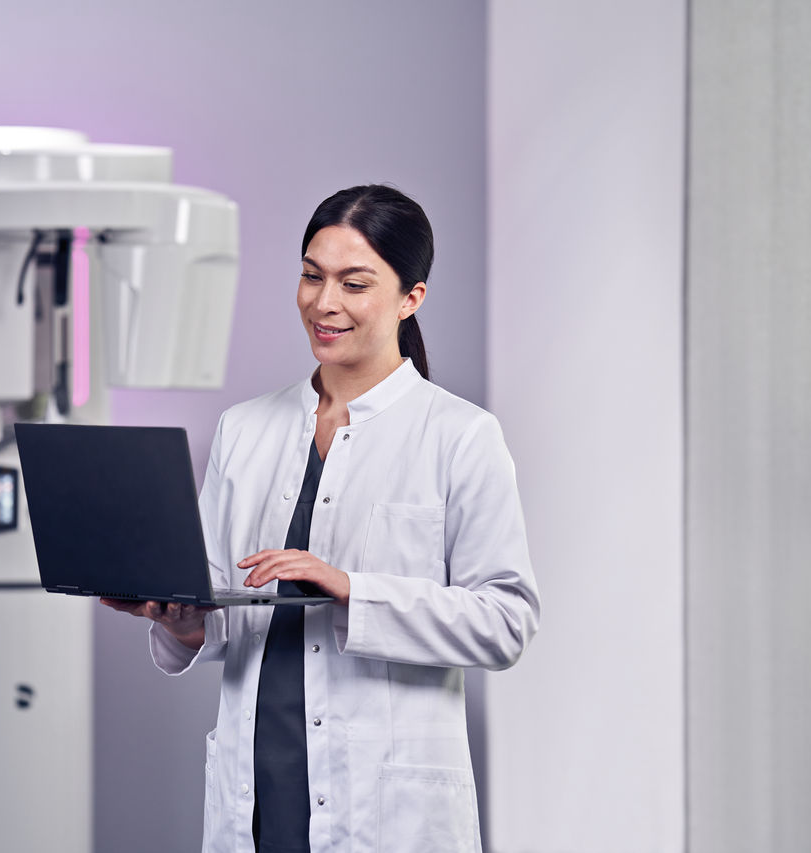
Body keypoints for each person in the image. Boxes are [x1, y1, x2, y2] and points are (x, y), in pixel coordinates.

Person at [102, 185, 540, 853]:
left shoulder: (459, 435)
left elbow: (505, 621)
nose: (323, 302)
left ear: (411, 297)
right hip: (258, 793)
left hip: (385, 811)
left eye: (353, 284)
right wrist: (180, 619)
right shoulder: (243, 429)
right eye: (312, 276)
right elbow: (220, 609)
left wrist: (351, 589)